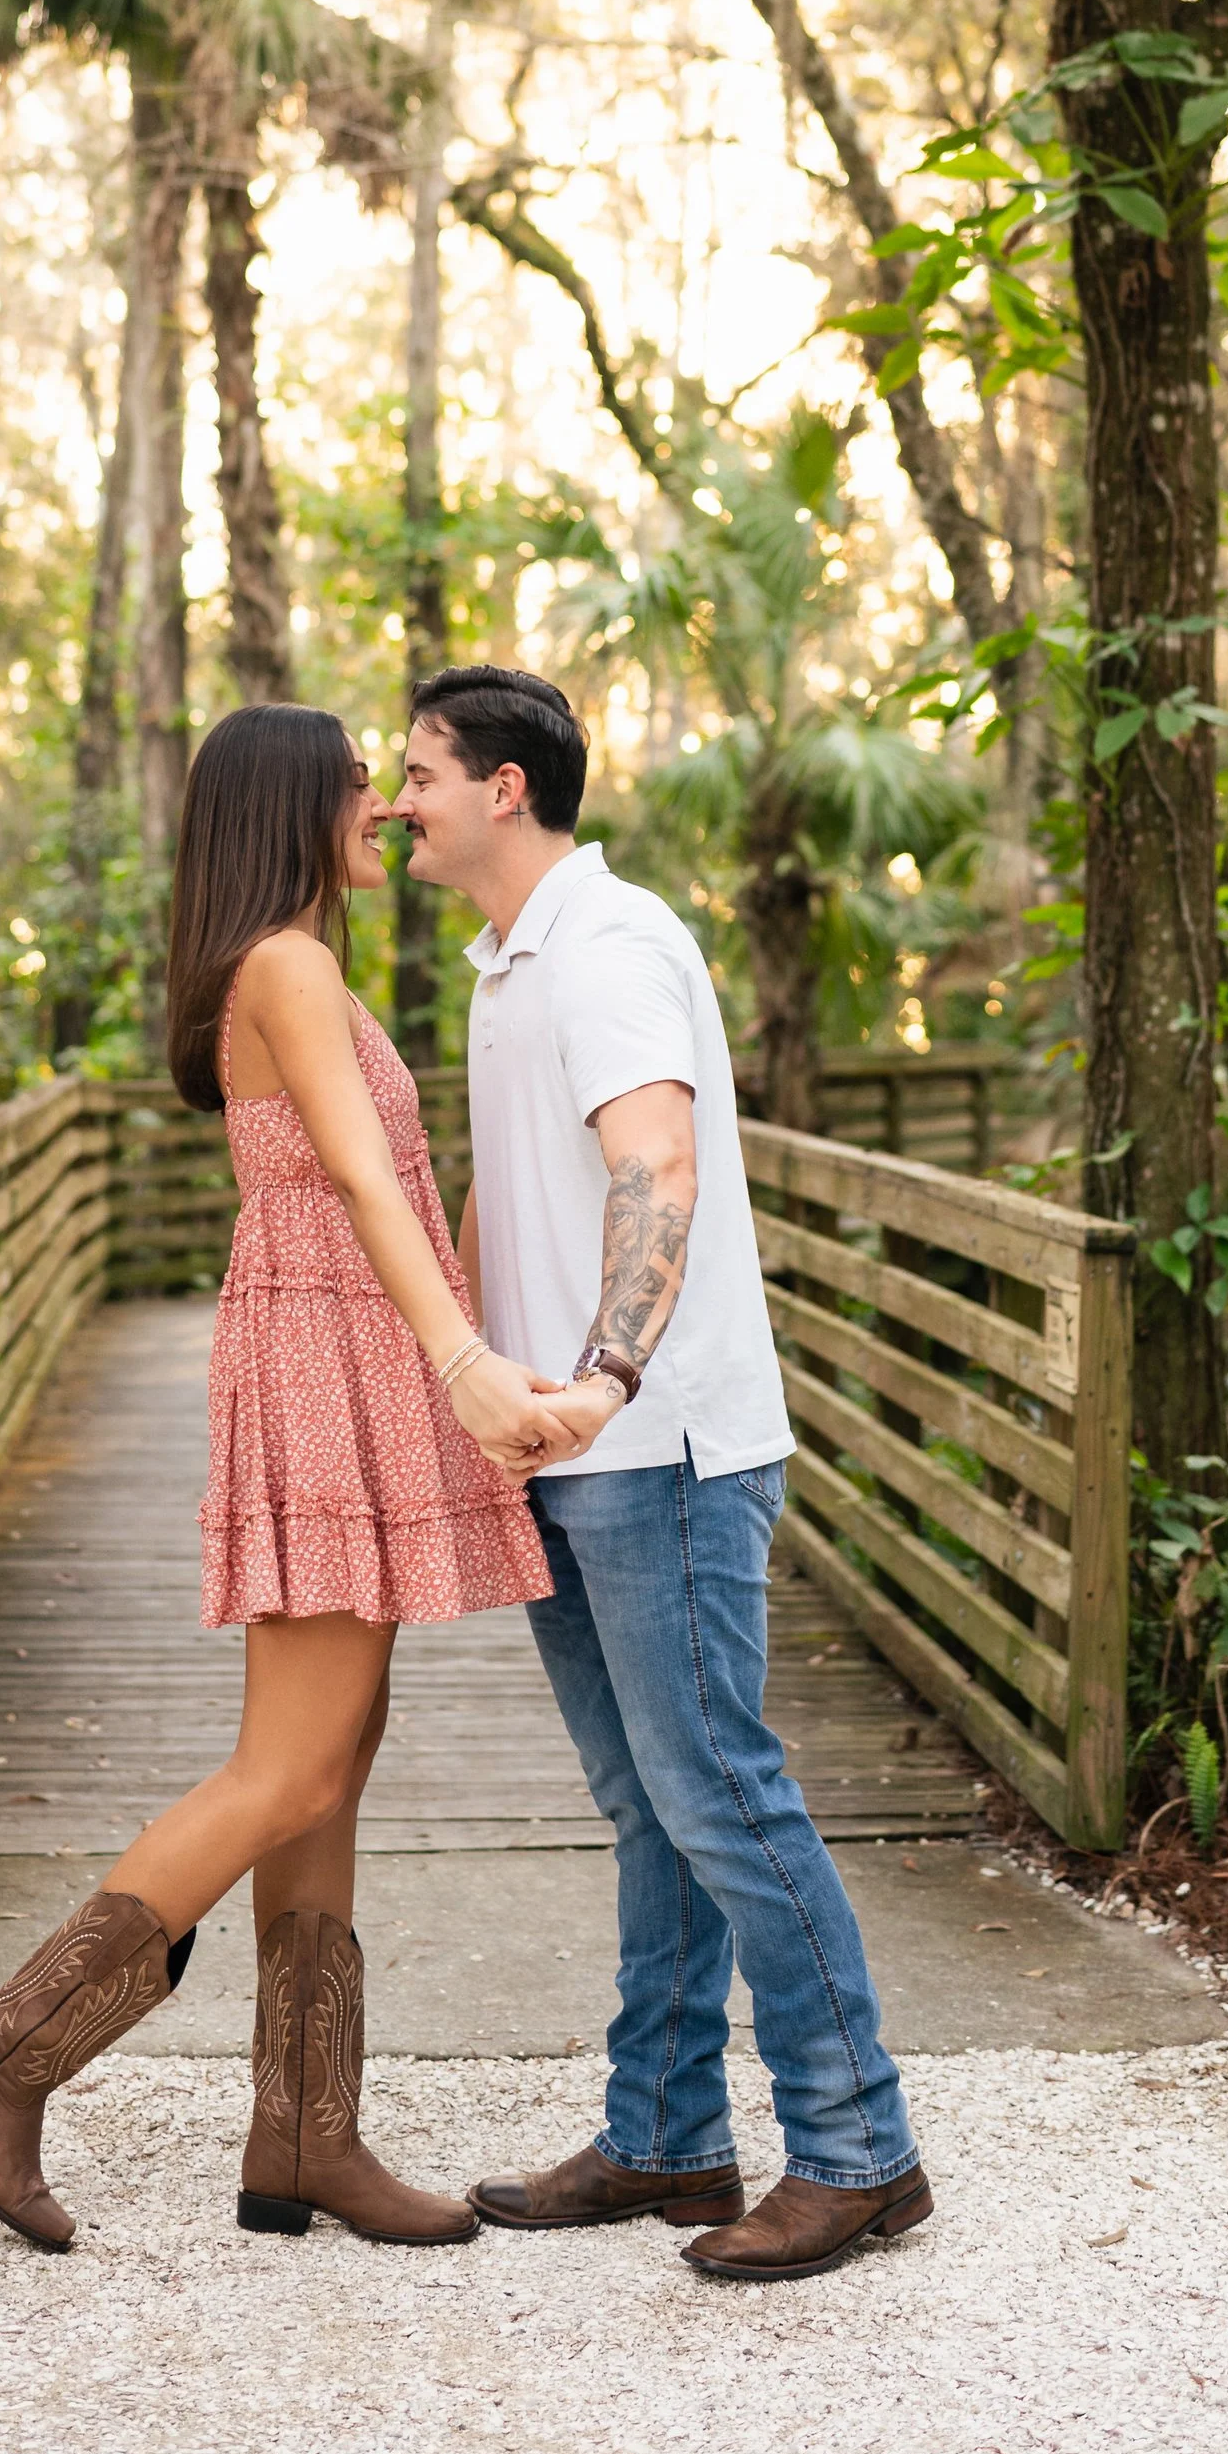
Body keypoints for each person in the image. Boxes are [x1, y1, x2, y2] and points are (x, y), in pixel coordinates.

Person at [0, 703, 561, 2254]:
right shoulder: (289, 963)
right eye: (358, 787)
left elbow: (387, 1176)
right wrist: (464, 1358)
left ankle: (305, 2134)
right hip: (335, 1360)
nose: (386, 812)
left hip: (339, 1351)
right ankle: (1, 2054)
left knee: (332, 1754)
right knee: (288, 1762)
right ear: (288, 806)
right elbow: (347, 1170)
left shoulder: (294, 962)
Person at [391, 664, 932, 2282]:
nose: (395, 794)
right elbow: (515, 1184)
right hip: (565, 1444)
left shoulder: (611, 943)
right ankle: (669, 2133)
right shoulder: (509, 963)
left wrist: (609, 1372)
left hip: (659, 1442)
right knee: (650, 1803)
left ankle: (859, 2147)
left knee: (715, 1788)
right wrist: (466, 1397)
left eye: (418, 769)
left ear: (503, 787)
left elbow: (655, 1161)